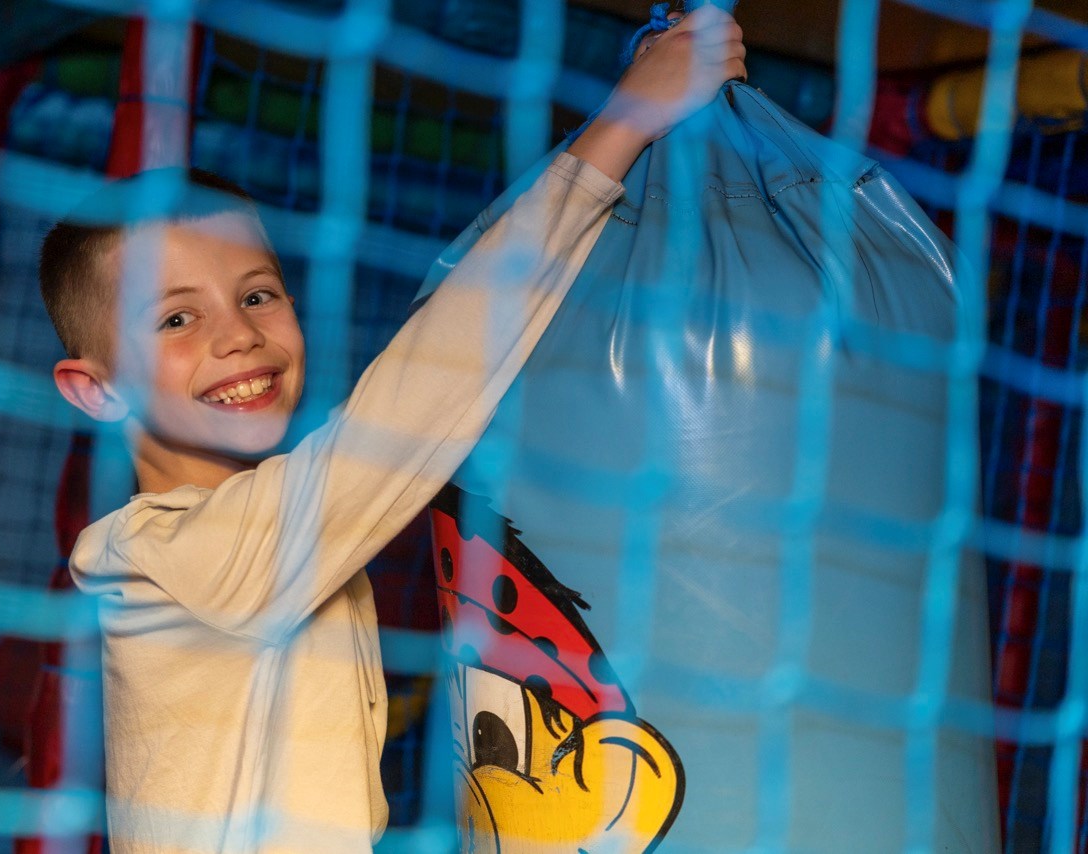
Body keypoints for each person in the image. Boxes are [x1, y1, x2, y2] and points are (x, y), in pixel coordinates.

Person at [39, 8, 745, 852]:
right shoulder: (169, 560)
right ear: (96, 390)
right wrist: (624, 124)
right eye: (176, 320)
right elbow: (410, 407)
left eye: (257, 295)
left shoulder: (265, 530)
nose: (238, 336)